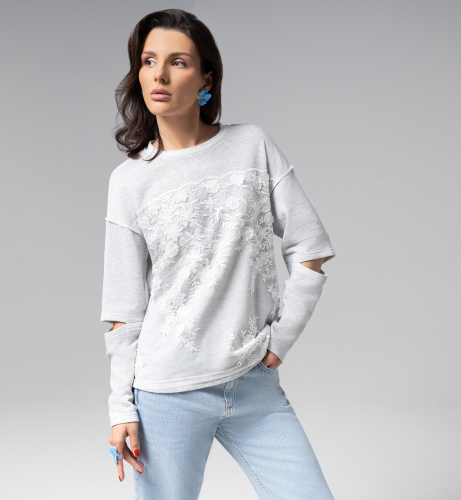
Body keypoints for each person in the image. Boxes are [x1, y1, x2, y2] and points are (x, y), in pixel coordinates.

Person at [101, 8, 337, 500]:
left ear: (206, 78)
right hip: (167, 393)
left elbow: (310, 250)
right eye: (148, 61)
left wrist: (280, 341)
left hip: (253, 384)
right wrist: (121, 407)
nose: (159, 75)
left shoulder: (252, 145)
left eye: (178, 62)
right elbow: (123, 310)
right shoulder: (129, 181)